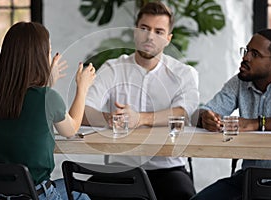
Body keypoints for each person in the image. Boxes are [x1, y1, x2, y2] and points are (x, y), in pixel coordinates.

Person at [82, 2, 199, 200]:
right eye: (144, 29)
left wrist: (140, 119)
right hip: (121, 168)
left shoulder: (184, 74)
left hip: (168, 169)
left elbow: (183, 112)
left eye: (159, 31)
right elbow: (84, 112)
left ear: (168, 39)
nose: (150, 36)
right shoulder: (113, 68)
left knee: (184, 194)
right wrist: (110, 118)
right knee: (83, 192)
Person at [0, 22, 95, 200]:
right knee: (80, 194)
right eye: (48, 52)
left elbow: (21, 108)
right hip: (36, 195)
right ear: (40, 58)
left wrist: (46, 85)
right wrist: (82, 88)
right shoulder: (47, 98)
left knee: (69, 187)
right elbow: (70, 129)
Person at [191, 29, 271, 200]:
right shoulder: (239, 82)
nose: (245, 57)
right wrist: (206, 118)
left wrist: (256, 123)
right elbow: (205, 111)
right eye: (246, 50)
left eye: (255, 54)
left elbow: (253, 124)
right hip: (248, 178)